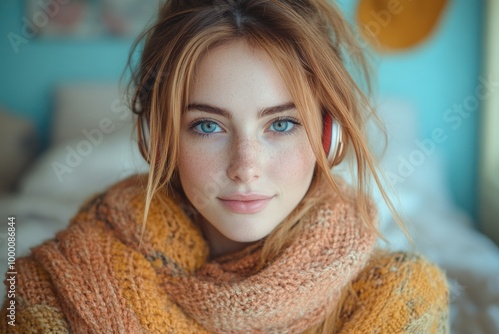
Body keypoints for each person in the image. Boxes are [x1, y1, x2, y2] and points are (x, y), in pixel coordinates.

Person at [1, 0, 449, 333]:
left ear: (327, 135)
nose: (245, 167)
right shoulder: (50, 284)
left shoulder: (401, 297)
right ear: (159, 141)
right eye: (208, 127)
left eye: (283, 123)